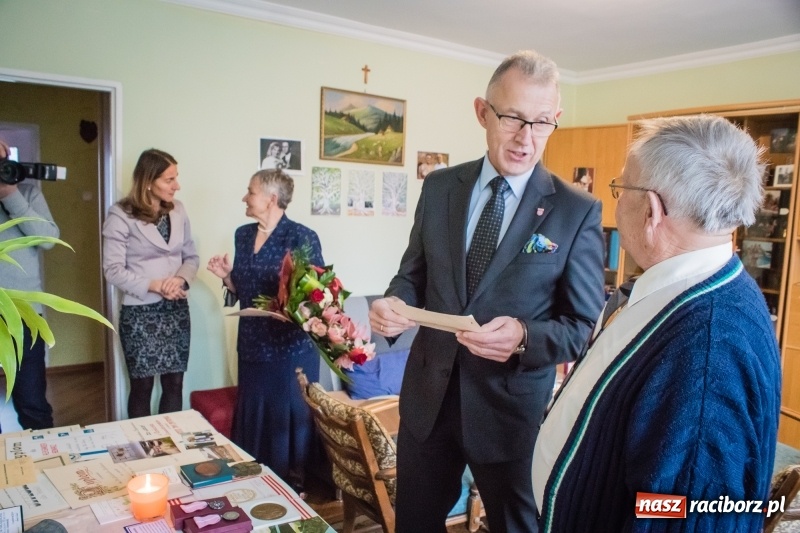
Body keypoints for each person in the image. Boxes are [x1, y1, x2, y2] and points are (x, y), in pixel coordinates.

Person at [368, 50, 605, 533]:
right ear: (482, 112)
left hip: (510, 413)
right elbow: (411, 276)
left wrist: (522, 335)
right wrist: (393, 304)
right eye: (513, 118)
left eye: (541, 123)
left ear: (555, 119)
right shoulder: (439, 188)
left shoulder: (576, 210)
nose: (526, 138)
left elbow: (580, 327)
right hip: (427, 402)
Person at [533, 115, 781, 532]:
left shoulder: (707, 349)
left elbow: (684, 514)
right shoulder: (690, 289)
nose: (616, 201)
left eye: (621, 188)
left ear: (651, 209)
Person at [207, 169, 323, 495]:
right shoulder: (243, 235)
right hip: (252, 343)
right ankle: (255, 480)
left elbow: (314, 294)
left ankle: (294, 486)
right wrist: (228, 277)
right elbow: (245, 287)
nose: (245, 197)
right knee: (254, 413)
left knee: (287, 415)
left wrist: (293, 308)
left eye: (250, 191)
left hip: (289, 348)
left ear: (271, 198)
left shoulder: (301, 236)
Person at [102, 149, 199, 419]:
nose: (176, 185)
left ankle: (172, 447)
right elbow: (112, 269)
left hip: (176, 309)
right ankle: (143, 450)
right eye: (169, 179)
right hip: (140, 312)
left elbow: (191, 256)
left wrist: (180, 279)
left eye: (175, 178)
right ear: (148, 181)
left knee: (174, 383)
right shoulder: (120, 215)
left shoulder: (178, 210)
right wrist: (155, 285)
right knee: (142, 386)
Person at [0, 140, 58, 430]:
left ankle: (43, 470)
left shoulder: (27, 193)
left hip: (24, 315)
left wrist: (11, 195)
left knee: (33, 402)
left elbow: (48, 238)